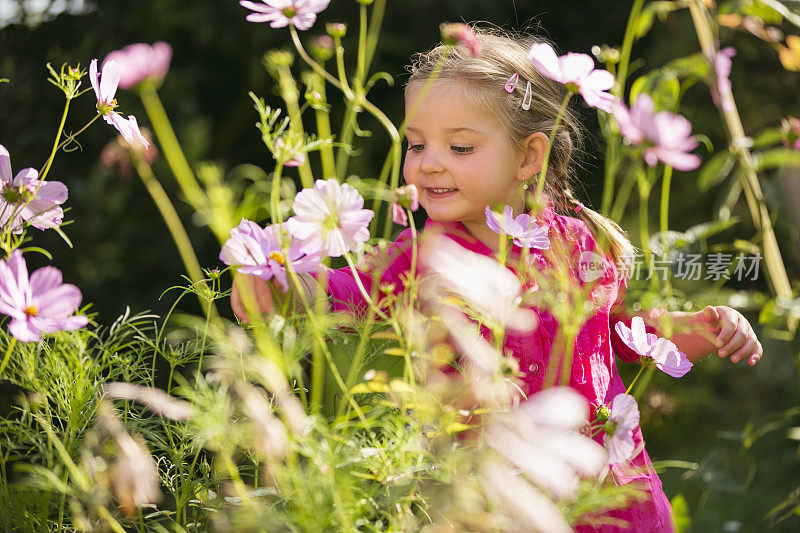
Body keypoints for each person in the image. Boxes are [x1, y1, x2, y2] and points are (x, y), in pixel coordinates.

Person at [231, 26, 763, 532]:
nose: (428, 165)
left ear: (530, 155)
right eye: (416, 145)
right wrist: (276, 280)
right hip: (492, 501)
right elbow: (344, 294)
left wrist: (694, 329)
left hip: (616, 496)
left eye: (459, 148)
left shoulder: (577, 240)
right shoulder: (424, 256)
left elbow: (616, 333)